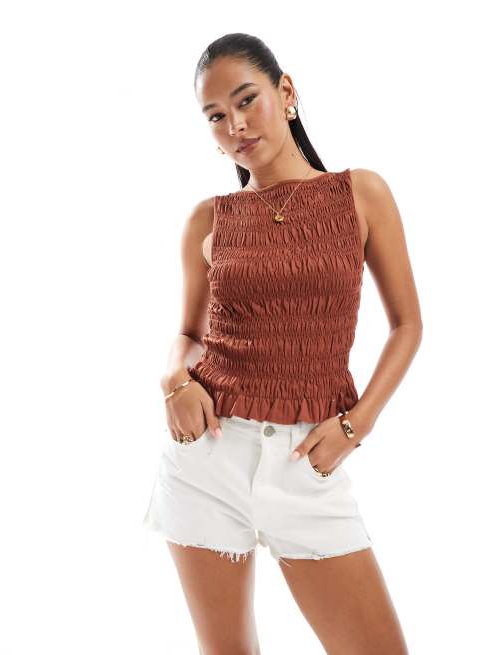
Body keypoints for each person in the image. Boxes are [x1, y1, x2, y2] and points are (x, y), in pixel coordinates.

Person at [143, 32, 421, 655]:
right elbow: (188, 334)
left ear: (286, 91)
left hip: (307, 462)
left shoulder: (360, 194)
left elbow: (408, 324)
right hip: (207, 460)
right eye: (216, 116)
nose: (236, 125)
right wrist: (173, 381)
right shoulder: (209, 220)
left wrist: (355, 426)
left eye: (247, 100)